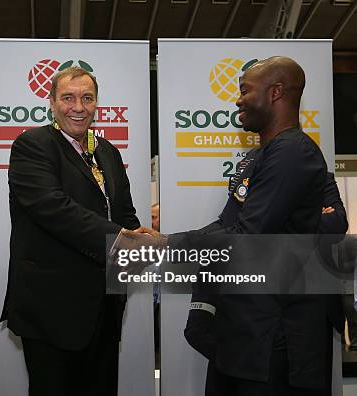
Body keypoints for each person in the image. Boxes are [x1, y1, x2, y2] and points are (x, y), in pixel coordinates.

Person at [133, 56, 331, 394]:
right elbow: (227, 223)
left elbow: (246, 239)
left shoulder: (292, 153)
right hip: (247, 333)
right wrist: (165, 239)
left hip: (275, 336)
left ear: (275, 93)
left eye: (245, 91)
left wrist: (167, 245)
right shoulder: (264, 155)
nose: (238, 100)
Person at [1, 66, 141, 396]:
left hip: (104, 307)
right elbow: (55, 210)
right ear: (51, 103)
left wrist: (140, 239)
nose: (78, 106)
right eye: (68, 97)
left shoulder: (108, 152)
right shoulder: (32, 146)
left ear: (96, 105)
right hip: (53, 309)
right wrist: (123, 240)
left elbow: (124, 212)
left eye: (87, 98)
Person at [184, 171, 348, 395]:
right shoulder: (222, 249)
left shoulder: (318, 178)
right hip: (248, 365)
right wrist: (239, 362)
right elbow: (197, 330)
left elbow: (337, 223)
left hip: (306, 352)